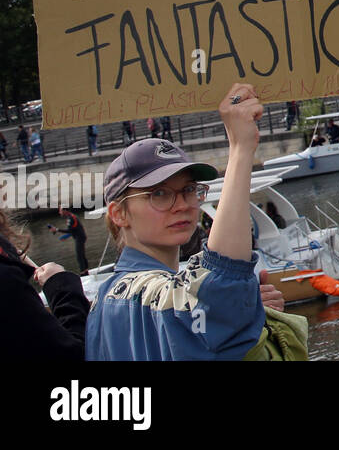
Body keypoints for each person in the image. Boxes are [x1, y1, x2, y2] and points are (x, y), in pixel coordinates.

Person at [87, 84, 304, 360]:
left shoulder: (104, 300)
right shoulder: (148, 293)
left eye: (189, 190)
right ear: (119, 214)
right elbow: (219, 285)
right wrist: (240, 147)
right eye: (160, 194)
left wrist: (250, 316)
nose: (183, 205)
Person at [1, 208, 90, 360]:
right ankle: (83, 271)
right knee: (80, 257)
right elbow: (73, 355)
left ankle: (85, 270)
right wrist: (60, 286)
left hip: (78, 237)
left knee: (81, 257)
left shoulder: (72, 218)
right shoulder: (6, 279)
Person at [47, 206, 90, 275]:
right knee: (81, 255)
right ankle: (86, 271)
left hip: (79, 237)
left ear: (65, 210)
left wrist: (57, 230)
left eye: (60, 210)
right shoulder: (71, 217)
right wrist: (65, 236)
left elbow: (70, 230)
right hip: (79, 236)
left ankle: (83, 273)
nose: (59, 212)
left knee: (79, 256)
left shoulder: (71, 218)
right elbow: (73, 230)